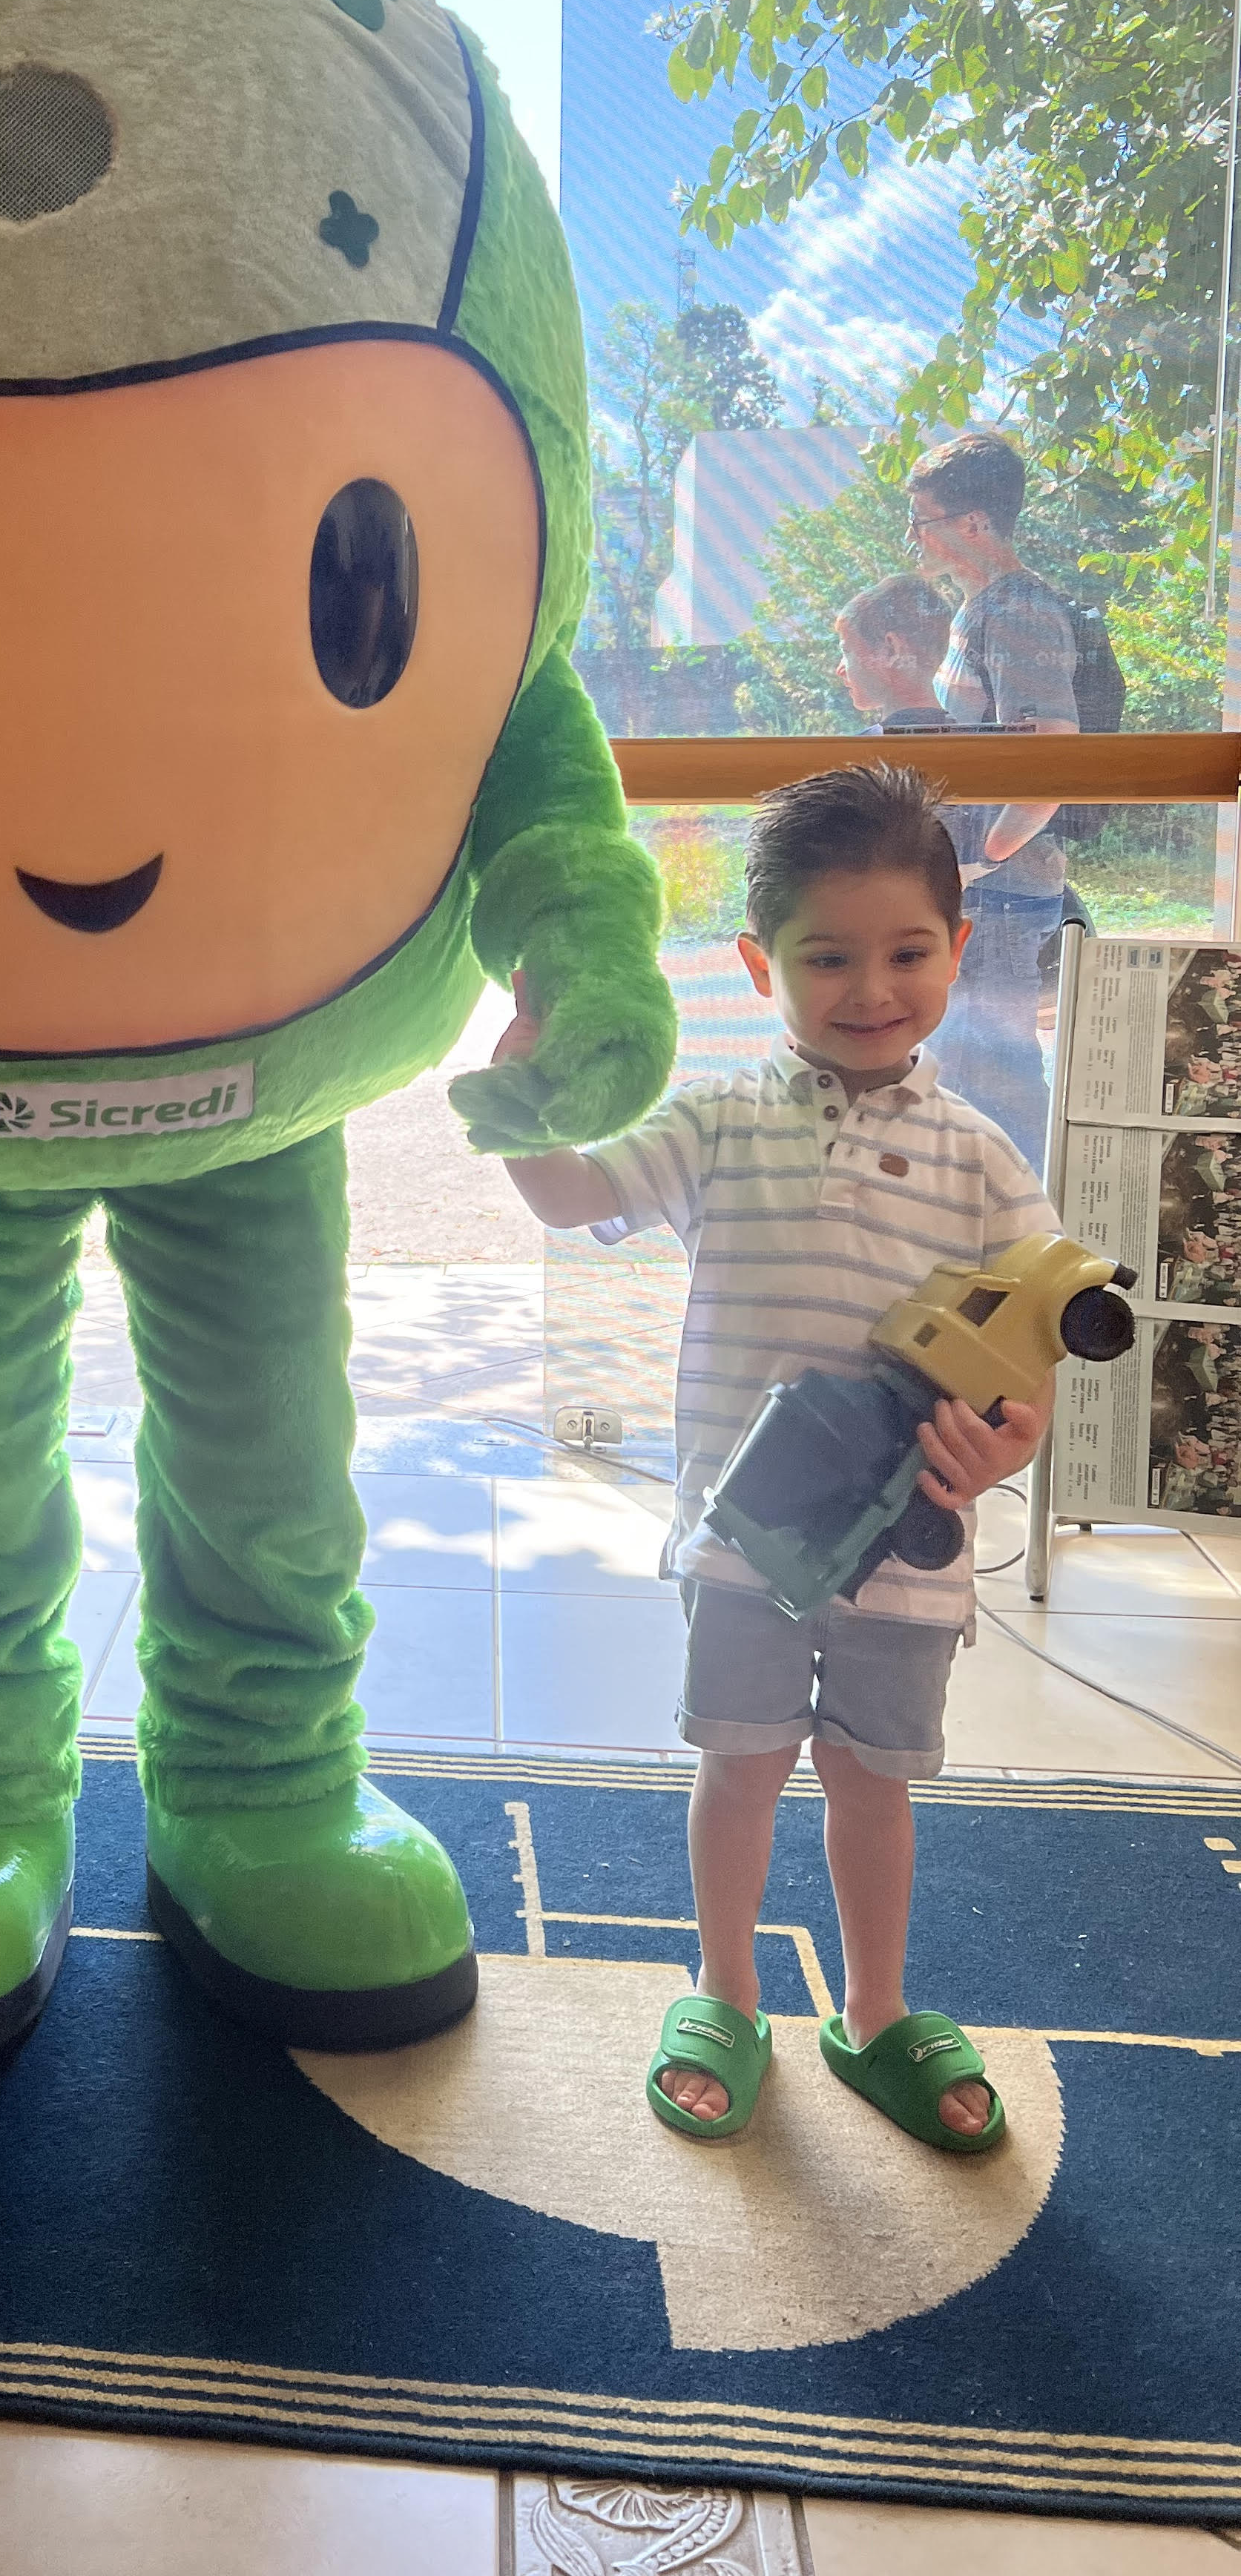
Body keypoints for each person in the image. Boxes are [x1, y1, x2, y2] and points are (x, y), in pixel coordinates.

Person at [491, 764, 1057, 2153]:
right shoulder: (717, 1120)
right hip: (742, 1536)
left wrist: (1005, 1448)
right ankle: (726, 1991)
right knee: (738, 1765)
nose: (871, 987)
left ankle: (872, 2010)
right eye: (826, 957)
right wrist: (519, 1102)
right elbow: (574, 1197)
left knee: (874, 1779)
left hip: (906, 1546)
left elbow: (1031, 1352)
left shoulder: (985, 1159)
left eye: (906, 953)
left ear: (956, 950)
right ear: (758, 966)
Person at [906, 429, 1079, 1168]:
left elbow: (1049, 762)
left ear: (973, 524)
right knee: (963, 1080)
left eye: (922, 521)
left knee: (996, 1089)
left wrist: (979, 862)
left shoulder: (1017, 611)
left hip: (999, 897)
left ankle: (1027, 1230)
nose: (913, 538)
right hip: (983, 893)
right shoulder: (979, 611)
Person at [835, 573, 953, 734]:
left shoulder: (862, 747)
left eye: (847, 651)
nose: (839, 670)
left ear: (891, 650)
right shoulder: (971, 738)